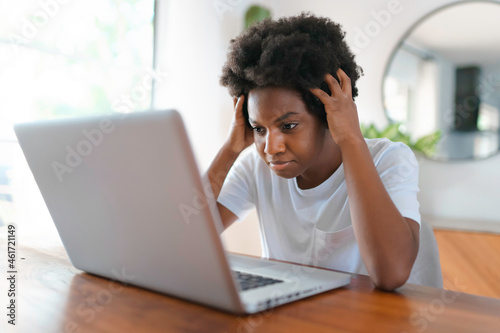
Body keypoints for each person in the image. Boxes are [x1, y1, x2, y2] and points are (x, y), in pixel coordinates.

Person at [206, 13, 440, 291]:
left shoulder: (388, 160)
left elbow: (390, 273)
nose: (271, 147)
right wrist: (230, 149)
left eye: (288, 125)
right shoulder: (255, 169)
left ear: (328, 115)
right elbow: (184, 239)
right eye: (259, 129)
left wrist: (351, 138)